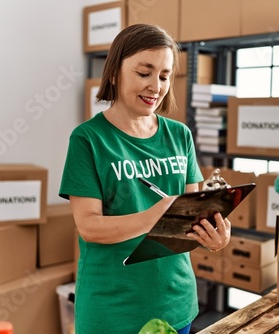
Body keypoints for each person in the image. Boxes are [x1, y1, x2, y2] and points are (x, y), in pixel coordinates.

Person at [59, 23, 231, 334]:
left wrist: (212, 236)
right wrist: (152, 217)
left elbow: (188, 219)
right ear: (114, 73)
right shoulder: (88, 140)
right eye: (144, 73)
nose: (156, 86)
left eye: (164, 76)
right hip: (113, 315)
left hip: (176, 304)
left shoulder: (180, 136)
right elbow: (88, 227)